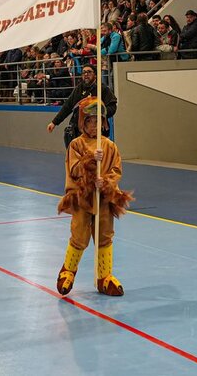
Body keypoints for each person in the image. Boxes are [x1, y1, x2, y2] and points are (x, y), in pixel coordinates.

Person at [55, 98, 133, 297]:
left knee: (105, 236)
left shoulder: (109, 146)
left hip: (103, 199)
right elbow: (73, 169)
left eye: (98, 121)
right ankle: (68, 272)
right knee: (79, 235)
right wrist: (90, 160)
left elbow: (116, 170)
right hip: (83, 199)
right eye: (90, 121)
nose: (94, 125)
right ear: (82, 123)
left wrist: (105, 182)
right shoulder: (76, 144)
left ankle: (104, 277)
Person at [47, 64, 117, 147]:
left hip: (96, 131)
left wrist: (100, 112)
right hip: (79, 131)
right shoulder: (78, 89)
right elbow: (67, 106)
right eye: (84, 72)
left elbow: (113, 107)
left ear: (95, 74)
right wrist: (54, 122)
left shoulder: (102, 89)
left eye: (89, 72)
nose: (86, 74)